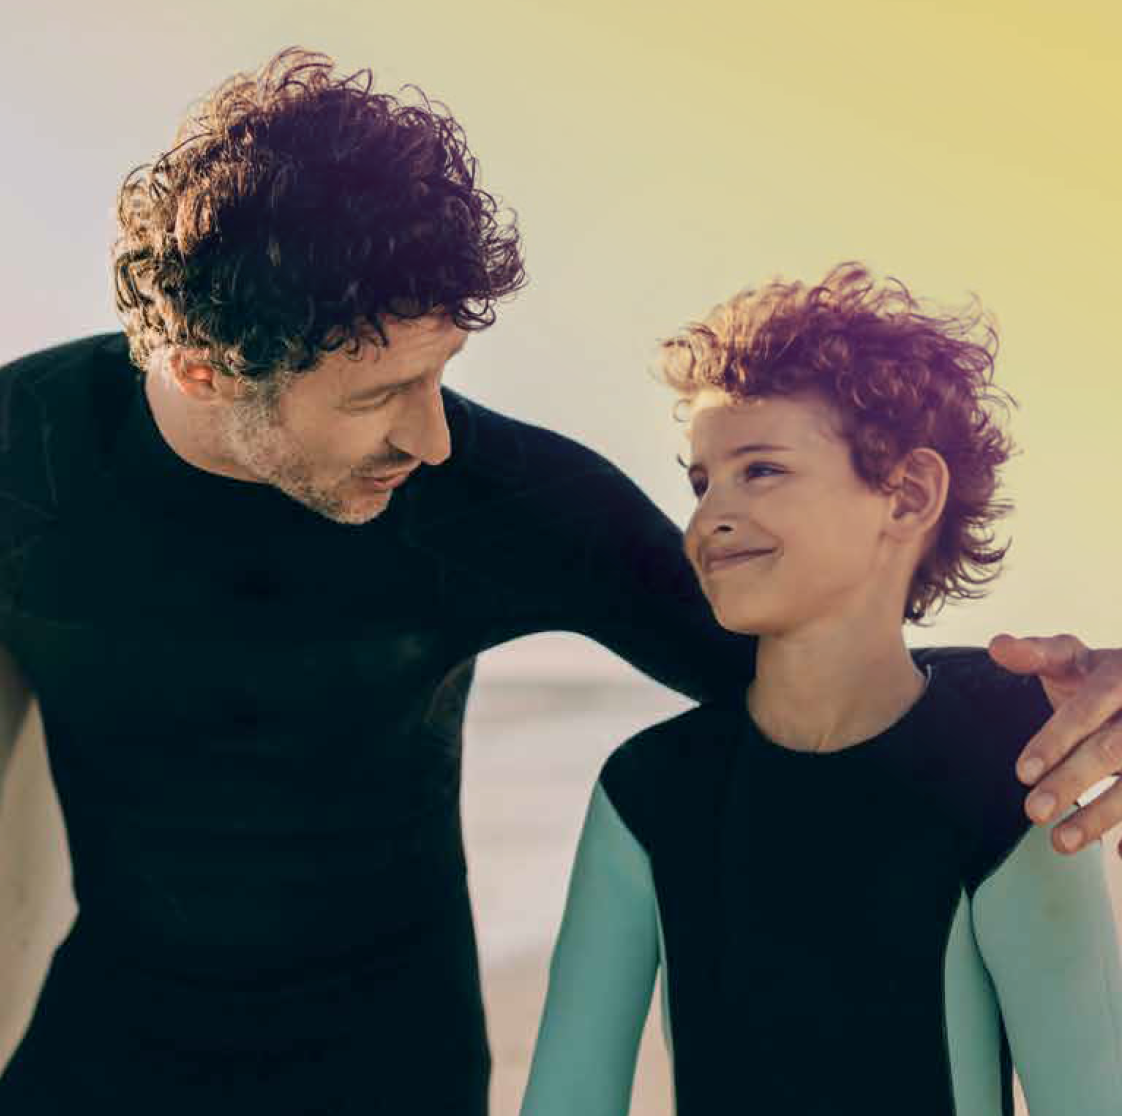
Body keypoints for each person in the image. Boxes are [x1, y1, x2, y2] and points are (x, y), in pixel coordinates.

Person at [0, 47, 1118, 1116]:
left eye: (440, 375)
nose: (432, 437)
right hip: (95, 1070)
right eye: (378, 396)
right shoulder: (23, 461)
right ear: (202, 372)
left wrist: (1057, 699)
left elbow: (804, 670)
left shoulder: (496, 499)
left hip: (388, 1078)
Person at [519, 265, 1122, 1116]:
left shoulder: (1011, 775)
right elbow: (567, 1096)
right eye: (701, 482)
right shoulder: (650, 790)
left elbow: (1090, 1089)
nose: (708, 518)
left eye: (761, 470)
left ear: (907, 497)